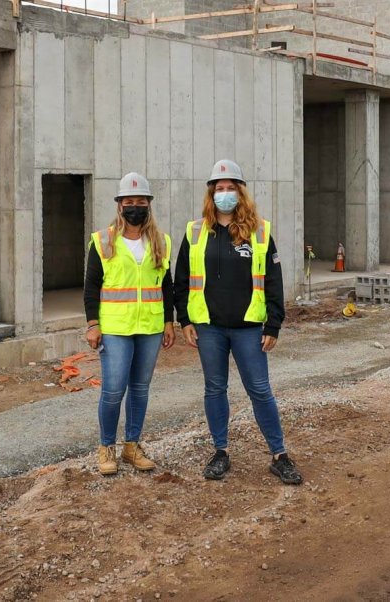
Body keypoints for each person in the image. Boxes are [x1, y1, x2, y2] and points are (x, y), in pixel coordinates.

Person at [174, 159, 303, 485]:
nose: (225, 193)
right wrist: (185, 320)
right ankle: (220, 452)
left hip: (248, 328)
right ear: (211, 193)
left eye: (231, 188)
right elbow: (181, 279)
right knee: (215, 388)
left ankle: (279, 455)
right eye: (220, 188)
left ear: (240, 192)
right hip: (209, 327)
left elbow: (273, 278)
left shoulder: (259, 231)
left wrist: (274, 323)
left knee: (260, 390)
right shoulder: (195, 231)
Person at [84, 172, 175, 476]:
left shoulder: (161, 242)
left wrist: (169, 322)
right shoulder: (103, 241)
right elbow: (91, 286)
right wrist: (92, 324)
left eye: (141, 201)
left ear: (148, 205)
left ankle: (132, 446)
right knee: (113, 390)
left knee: (140, 389)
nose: (135, 206)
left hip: (149, 327)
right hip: (116, 328)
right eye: (129, 201)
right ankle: (106, 447)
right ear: (119, 205)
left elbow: (167, 286)